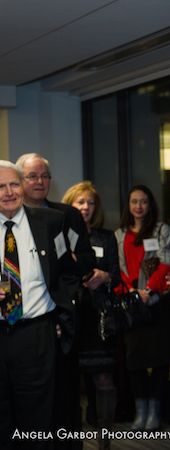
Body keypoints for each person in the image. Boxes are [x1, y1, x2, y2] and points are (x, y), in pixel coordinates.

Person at [16, 152, 96, 449]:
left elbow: (84, 259)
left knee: (65, 395)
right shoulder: (10, 220)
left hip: (62, 319)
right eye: (32, 176)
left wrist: (65, 267)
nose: (40, 182)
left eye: (45, 176)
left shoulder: (66, 216)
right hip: (22, 324)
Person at [0, 160, 78, 449]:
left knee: (38, 421)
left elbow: (67, 275)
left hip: (36, 335)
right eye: (1, 187)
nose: (9, 192)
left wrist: (62, 317)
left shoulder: (50, 222)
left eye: (14, 184)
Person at [115, 185, 170, 432]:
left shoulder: (161, 230)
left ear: (150, 204)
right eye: (134, 202)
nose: (138, 206)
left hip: (157, 303)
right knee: (135, 362)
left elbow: (167, 262)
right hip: (132, 305)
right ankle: (140, 411)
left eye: (143, 201)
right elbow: (118, 268)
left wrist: (149, 290)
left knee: (160, 360)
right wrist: (134, 292)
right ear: (128, 205)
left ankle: (154, 412)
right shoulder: (120, 234)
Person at [62, 181, 120, 449]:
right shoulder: (60, 235)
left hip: (99, 318)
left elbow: (117, 275)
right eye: (80, 202)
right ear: (70, 205)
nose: (86, 207)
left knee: (104, 381)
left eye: (91, 203)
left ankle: (105, 440)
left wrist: (104, 276)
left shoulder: (106, 237)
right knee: (70, 384)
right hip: (71, 316)